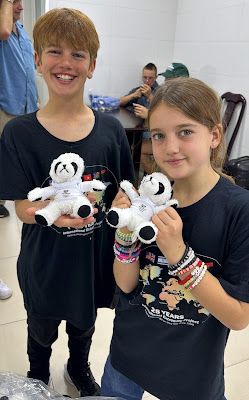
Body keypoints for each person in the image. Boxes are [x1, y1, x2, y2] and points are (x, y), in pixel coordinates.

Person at [0, 8, 134, 397]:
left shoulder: (110, 130)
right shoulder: (19, 134)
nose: (66, 63)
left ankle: (78, 367)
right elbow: (22, 206)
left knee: (85, 324)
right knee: (40, 328)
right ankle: (37, 375)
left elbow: (122, 191)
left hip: (92, 261)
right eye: (55, 52)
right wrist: (50, 218)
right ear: (38, 60)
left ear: (92, 65)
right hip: (44, 261)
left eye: (78, 55)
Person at [100, 77, 249, 400]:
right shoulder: (149, 197)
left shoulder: (239, 211)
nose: (170, 148)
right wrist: (124, 237)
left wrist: (180, 256)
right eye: (158, 135)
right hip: (127, 356)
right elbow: (126, 286)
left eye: (185, 132)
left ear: (214, 135)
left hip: (191, 372)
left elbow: (238, 316)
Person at [0, 0, 39, 218]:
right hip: (6, 103)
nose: (20, 7)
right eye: (14, 2)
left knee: (22, 155)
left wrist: (37, 99)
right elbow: (4, 31)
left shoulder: (22, 31)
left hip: (27, 104)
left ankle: (21, 194)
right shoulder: (3, 30)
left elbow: (28, 71)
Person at [136, 62, 190, 175]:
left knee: (139, 149)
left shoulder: (185, 99)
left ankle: (162, 182)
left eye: (168, 79)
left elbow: (173, 123)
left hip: (180, 143)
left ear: (179, 80)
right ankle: (161, 180)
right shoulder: (172, 96)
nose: (165, 82)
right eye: (165, 78)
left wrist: (149, 115)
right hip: (169, 138)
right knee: (138, 148)